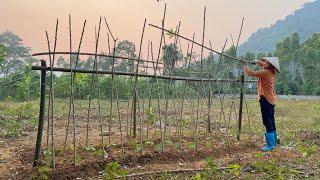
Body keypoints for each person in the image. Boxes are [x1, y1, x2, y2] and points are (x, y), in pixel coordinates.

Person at [243, 57, 280, 151]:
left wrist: (245, 65)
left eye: (267, 62)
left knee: (267, 121)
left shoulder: (265, 72)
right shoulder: (271, 71)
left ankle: (270, 145)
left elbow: (250, 73)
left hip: (266, 100)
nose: (265, 63)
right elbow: (263, 64)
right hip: (271, 100)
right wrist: (257, 62)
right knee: (271, 121)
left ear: (270, 65)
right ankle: (274, 142)